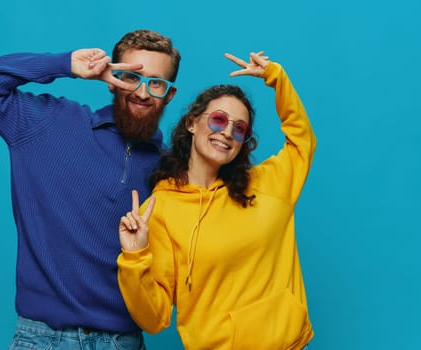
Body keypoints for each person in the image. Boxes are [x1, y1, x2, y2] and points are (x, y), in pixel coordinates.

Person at [0, 29, 180, 349]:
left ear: (169, 94)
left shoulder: (171, 171)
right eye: (130, 76)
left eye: (156, 83)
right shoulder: (49, 123)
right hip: (42, 338)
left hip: (122, 341)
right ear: (112, 77)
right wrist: (64, 64)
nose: (142, 92)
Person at [117, 50, 316, 349]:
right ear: (192, 123)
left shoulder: (269, 184)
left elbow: (302, 140)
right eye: (219, 120)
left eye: (239, 128)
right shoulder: (161, 209)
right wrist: (134, 258)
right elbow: (153, 318)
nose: (226, 132)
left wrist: (276, 78)